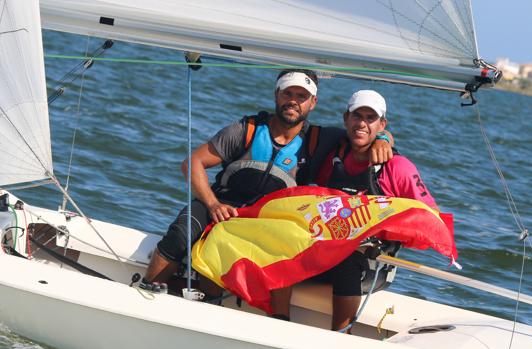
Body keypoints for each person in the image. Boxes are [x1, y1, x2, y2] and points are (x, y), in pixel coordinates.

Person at [141, 70, 394, 320]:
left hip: (269, 220)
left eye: (301, 96)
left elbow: (361, 133)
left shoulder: (320, 139)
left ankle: (276, 321)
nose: (293, 100)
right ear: (277, 95)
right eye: (288, 93)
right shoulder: (246, 129)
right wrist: (213, 203)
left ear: (313, 103)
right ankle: (144, 296)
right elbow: (192, 163)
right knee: (181, 233)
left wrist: (383, 138)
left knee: (283, 249)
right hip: (221, 206)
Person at [313, 90, 439, 332]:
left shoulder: (399, 167)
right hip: (326, 248)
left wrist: (384, 227)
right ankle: (276, 322)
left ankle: (340, 337)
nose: (361, 123)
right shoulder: (332, 157)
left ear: (382, 124)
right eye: (357, 116)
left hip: (372, 262)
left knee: (347, 260)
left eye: (370, 118)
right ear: (345, 119)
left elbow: (431, 217)